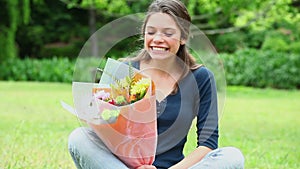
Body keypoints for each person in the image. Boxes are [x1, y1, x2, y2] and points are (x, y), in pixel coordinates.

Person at [68, 0, 245, 168]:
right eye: (151, 32)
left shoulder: (201, 78)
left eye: (168, 33)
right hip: (123, 166)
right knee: (79, 138)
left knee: (232, 157)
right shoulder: (125, 70)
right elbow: (106, 129)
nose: (158, 39)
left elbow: (208, 144)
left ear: (183, 37)